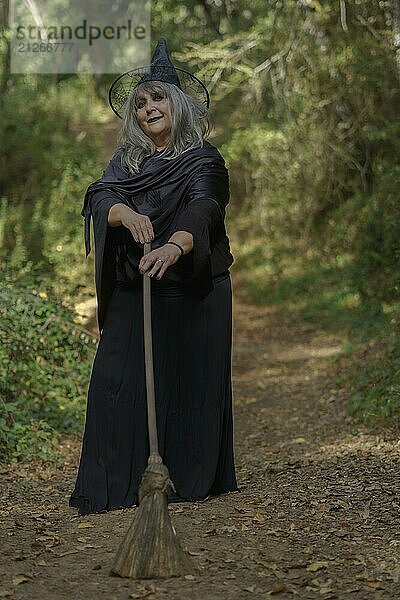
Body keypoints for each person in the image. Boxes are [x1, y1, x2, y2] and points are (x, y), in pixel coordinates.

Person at [69, 39, 239, 515]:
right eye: (141, 103)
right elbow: (100, 196)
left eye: (158, 98)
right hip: (136, 285)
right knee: (113, 382)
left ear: (178, 105)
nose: (148, 108)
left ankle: (187, 479)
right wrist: (124, 213)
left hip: (194, 292)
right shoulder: (126, 163)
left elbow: (205, 208)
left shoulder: (205, 159)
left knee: (189, 384)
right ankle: (115, 485)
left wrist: (172, 244)